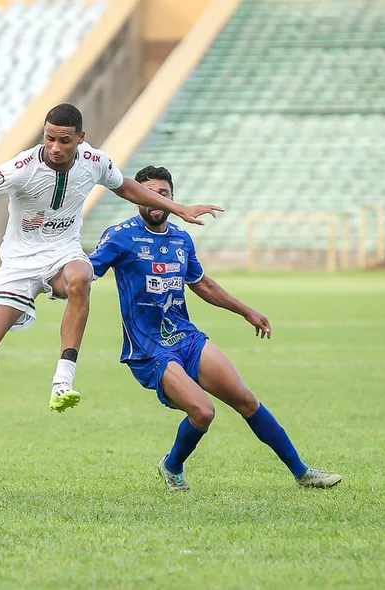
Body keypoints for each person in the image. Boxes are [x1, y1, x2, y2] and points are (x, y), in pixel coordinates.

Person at [0, 105, 223, 437]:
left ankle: (63, 379)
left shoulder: (95, 161)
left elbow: (127, 187)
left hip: (63, 254)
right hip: (19, 265)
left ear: (80, 139)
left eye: (64, 141)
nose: (56, 148)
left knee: (81, 275)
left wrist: (178, 209)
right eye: (49, 139)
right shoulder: (20, 168)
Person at [88, 165, 342, 490]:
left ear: (172, 198)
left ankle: (302, 473)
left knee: (246, 400)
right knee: (203, 413)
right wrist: (57, 281)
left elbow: (202, 284)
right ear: (137, 197)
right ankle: (172, 465)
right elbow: (87, 271)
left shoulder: (181, 239)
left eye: (163, 193)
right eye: (149, 193)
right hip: (150, 348)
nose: (156, 199)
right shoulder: (120, 236)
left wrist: (246, 311)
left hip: (187, 338)